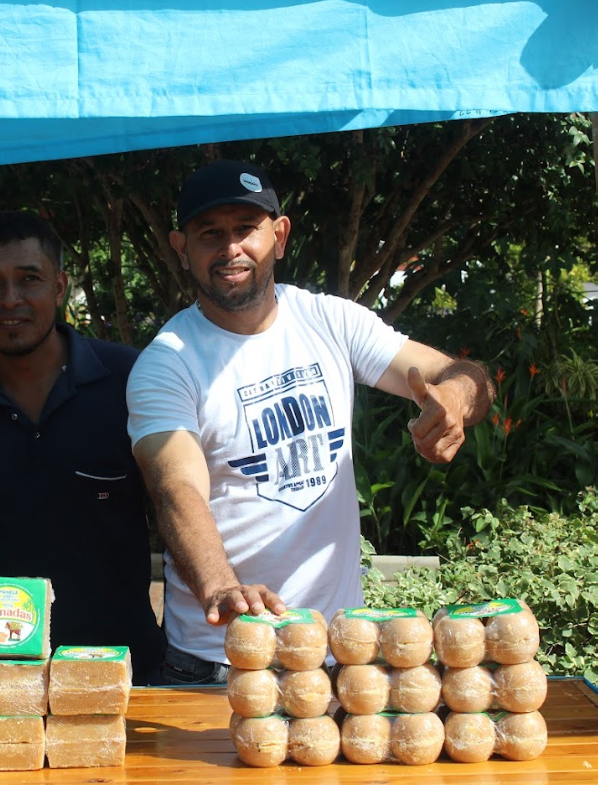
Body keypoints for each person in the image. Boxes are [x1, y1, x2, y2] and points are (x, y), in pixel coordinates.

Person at [126, 160, 495, 684]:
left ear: (278, 236)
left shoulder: (330, 321)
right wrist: (220, 587)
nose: (230, 248)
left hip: (338, 652)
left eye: (245, 230)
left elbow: (460, 373)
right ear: (182, 248)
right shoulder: (168, 362)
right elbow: (175, 488)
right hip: (222, 660)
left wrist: (455, 397)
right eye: (210, 233)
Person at [0, 211, 166, 684]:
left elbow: (176, 504)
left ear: (59, 287)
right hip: (7, 667)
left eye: (29, 279)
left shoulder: (129, 379)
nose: (10, 300)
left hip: (128, 666)